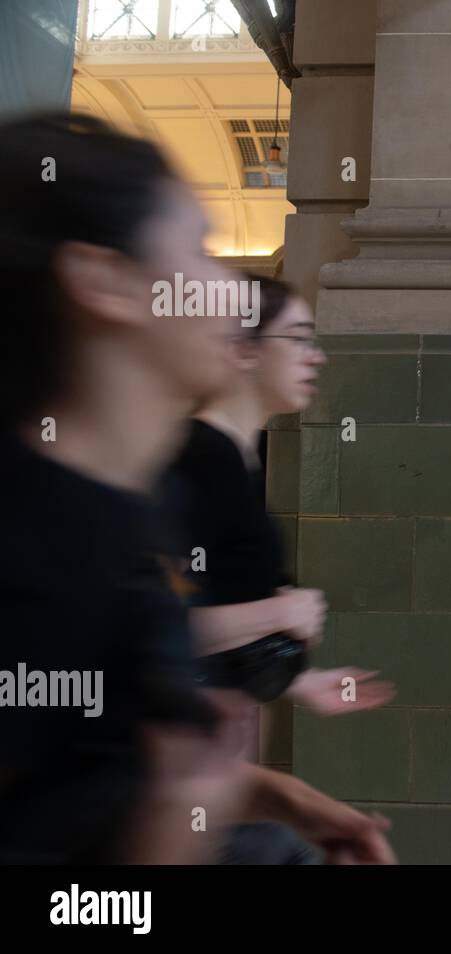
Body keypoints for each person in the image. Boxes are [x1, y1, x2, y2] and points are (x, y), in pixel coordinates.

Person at [0, 113, 393, 864]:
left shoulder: (132, 514)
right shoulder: (33, 554)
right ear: (103, 281)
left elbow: (107, 772)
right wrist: (178, 824)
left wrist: (277, 797)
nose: (231, 293)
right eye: (200, 251)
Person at [167, 275, 395, 717]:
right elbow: (148, 625)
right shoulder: (200, 457)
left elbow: (221, 604)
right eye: (297, 339)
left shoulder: (240, 457)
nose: (316, 357)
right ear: (243, 349)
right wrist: (279, 614)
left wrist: (301, 681)